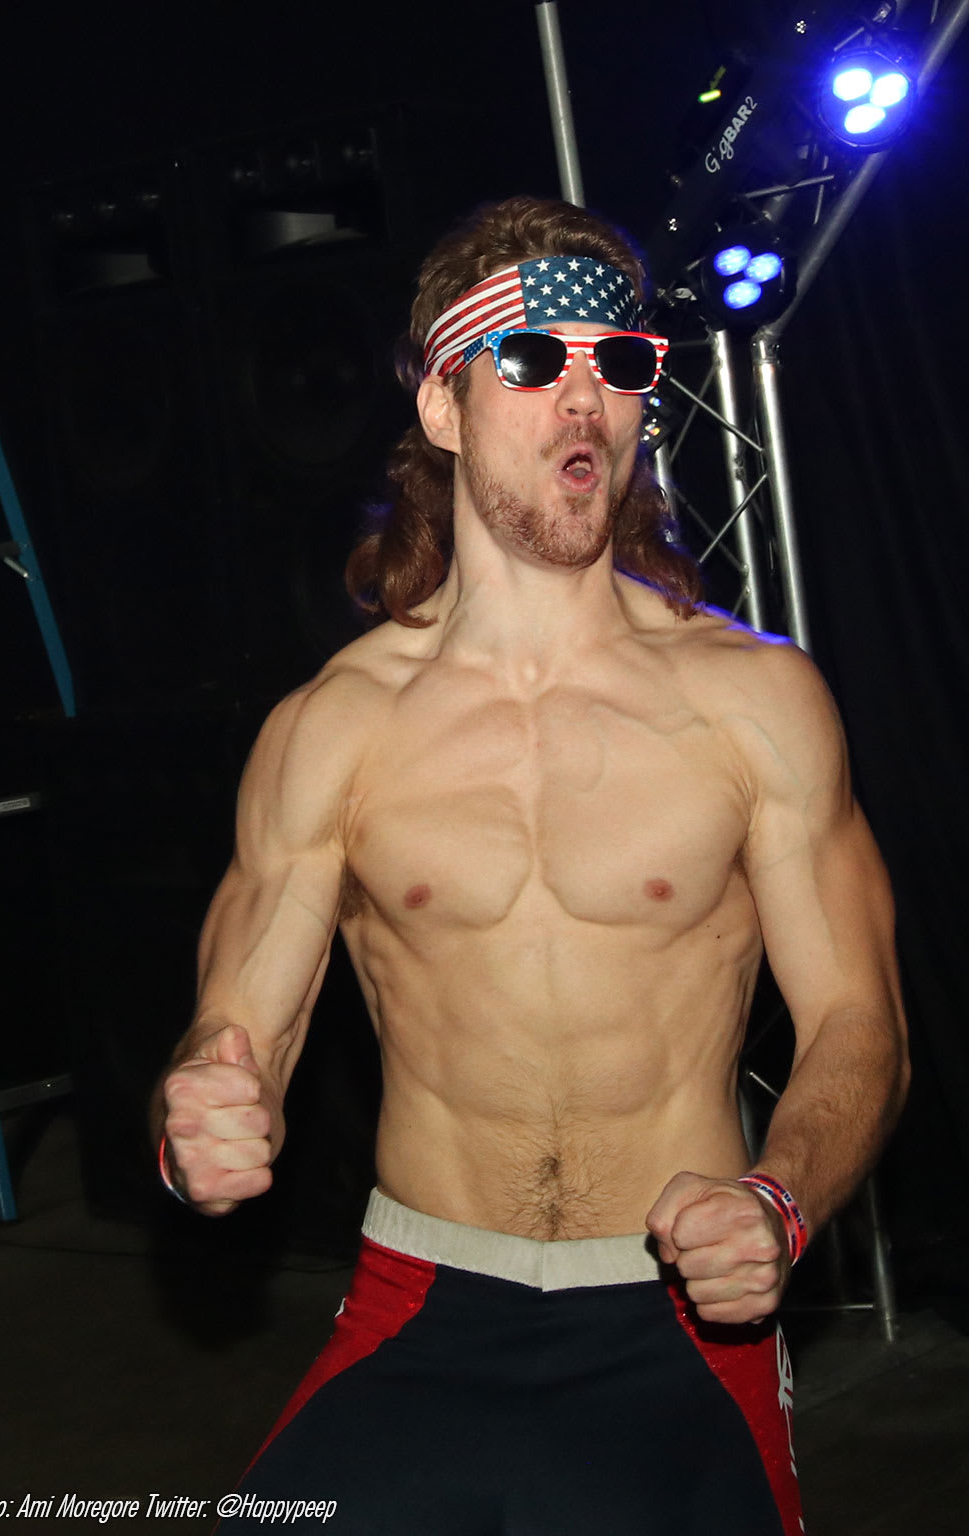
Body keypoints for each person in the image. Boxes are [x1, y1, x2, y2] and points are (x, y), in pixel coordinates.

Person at [154, 195, 909, 1535]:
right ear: (443, 408)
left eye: (618, 364)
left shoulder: (754, 703)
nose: (584, 401)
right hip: (419, 1307)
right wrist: (201, 1113)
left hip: (673, 1330)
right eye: (533, 360)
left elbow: (864, 1025)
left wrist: (782, 1201)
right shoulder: (337, 725)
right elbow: (240, 1033)